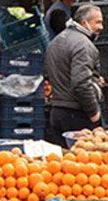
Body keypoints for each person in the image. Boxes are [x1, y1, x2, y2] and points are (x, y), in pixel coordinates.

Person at [45, 4, 104, 147]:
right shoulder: (84, 45)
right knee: (84, 163)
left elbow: (58, 72)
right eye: (98, 22)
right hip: (77, 114)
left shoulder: (56, 41)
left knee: (65, 164)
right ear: (84, 23)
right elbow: (80, 83)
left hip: (57, 111)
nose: (101, 27)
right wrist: (94, 113)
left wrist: (95, 80)